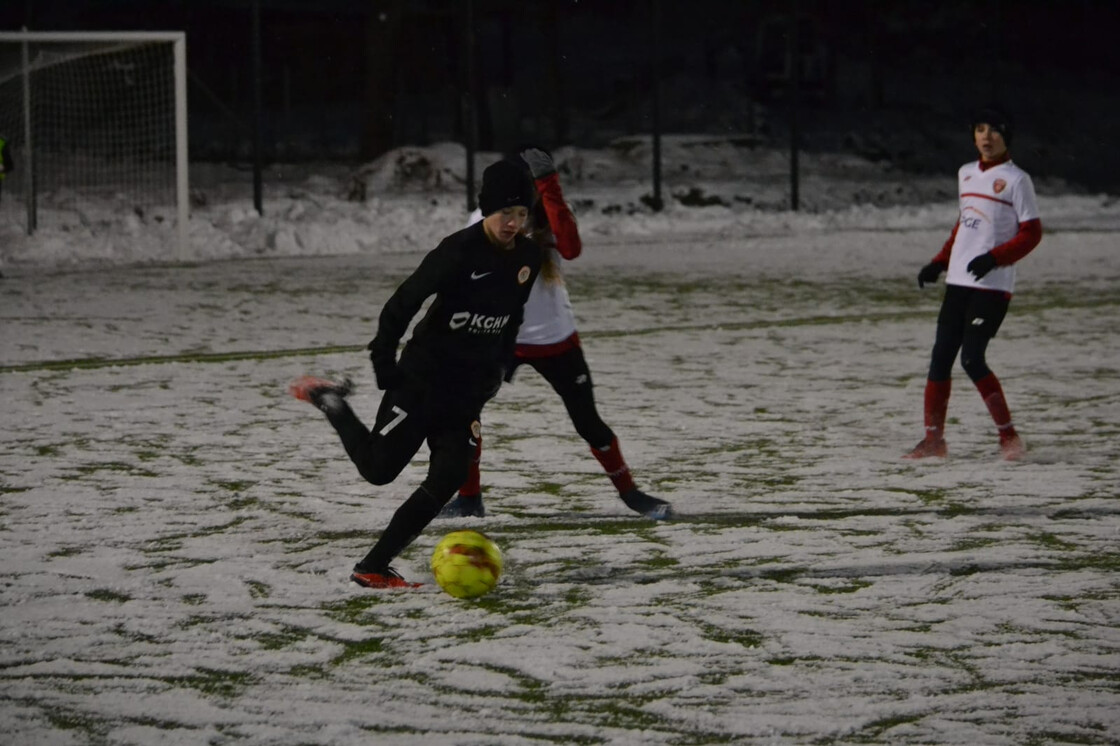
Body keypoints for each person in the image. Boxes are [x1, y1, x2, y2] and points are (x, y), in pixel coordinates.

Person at [289, 158, 541, 588]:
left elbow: (513, 315)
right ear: (487, 210)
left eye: (521, 215)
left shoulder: (528, 258)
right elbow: (402, 303)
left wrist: (501, 364)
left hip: (465, 394)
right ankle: (332, 400)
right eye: (505, 214)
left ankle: (373, 566)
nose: (513, 223)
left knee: (450, 475)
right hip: (422, 380)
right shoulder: (457, 251)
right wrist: (384, 362)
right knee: (377, 470)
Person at [440, 147, 672, 520]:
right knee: (461, 415)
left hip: (553, 337)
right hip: (499, 337)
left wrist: (551, 188)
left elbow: (572, 248)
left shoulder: (551, 216)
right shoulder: (485, 219)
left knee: (587, 422)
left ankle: (631, 494)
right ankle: (469, 498)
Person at [906, 105, 1042, 461]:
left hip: (993, 286)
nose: (986, 136)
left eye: (994, 129)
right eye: (980, 129)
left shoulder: (1017, 180)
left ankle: (1009, 438)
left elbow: (1032, 233)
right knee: (939, 360)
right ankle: (933, 441)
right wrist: (939, 262)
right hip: (959, 283)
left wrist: (996, 258)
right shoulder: (966, 174)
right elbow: (965, 225)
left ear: (1006, 136)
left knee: (972, 359)